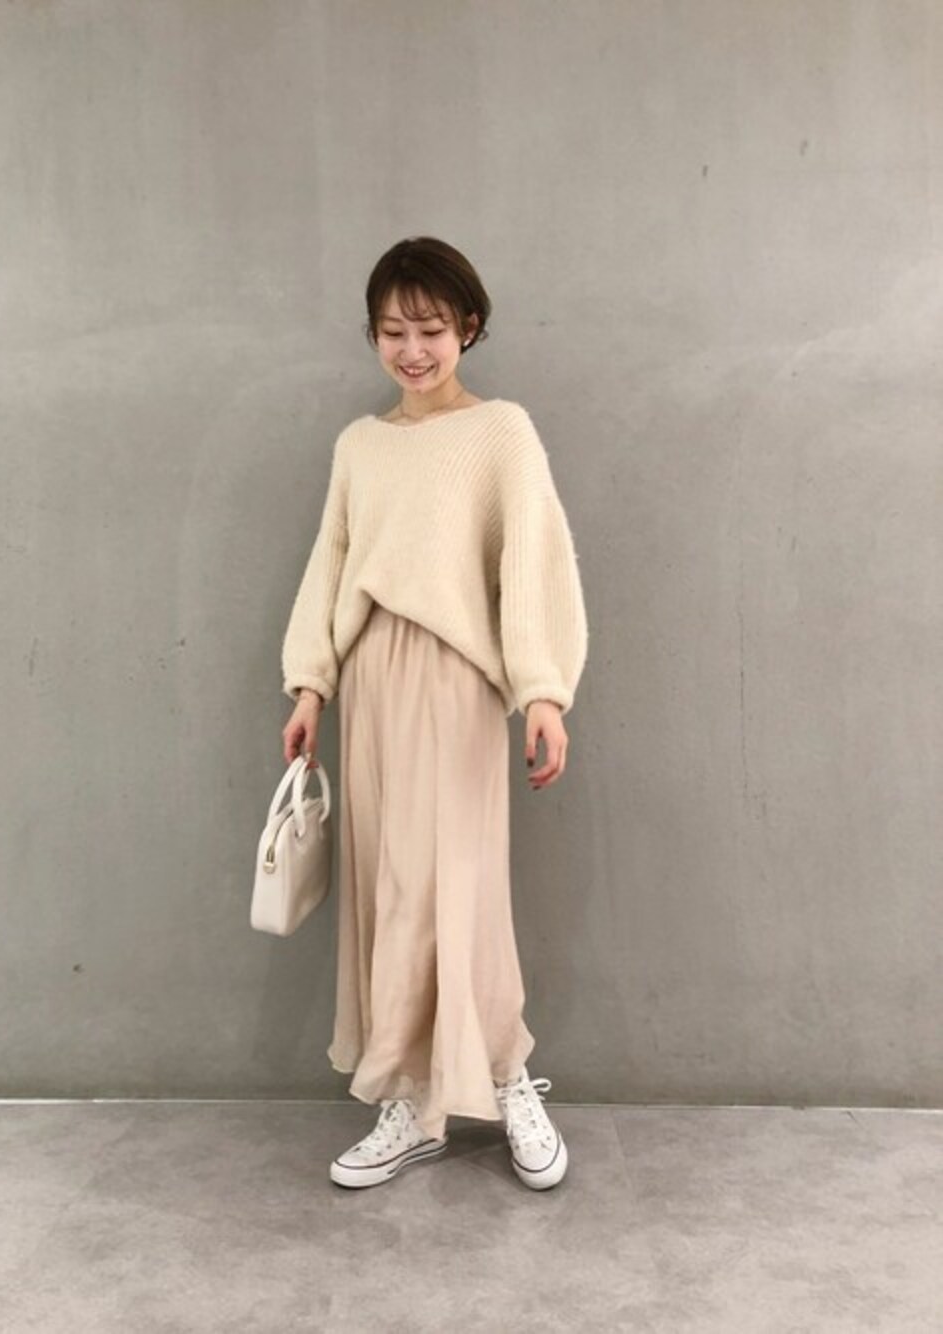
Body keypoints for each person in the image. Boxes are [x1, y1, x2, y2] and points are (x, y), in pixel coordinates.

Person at [280, 236, 588, 1190]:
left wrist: (543, 691)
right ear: (372, 336)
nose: (412, 350)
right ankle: (410, 1105)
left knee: (461, 887)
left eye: (432, 329)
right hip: (371, 682)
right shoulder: (360, 446)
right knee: (394, 888)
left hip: (457, 682)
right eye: (393, 332)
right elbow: (332, 561)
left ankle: (505, 1076)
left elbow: (531, 559)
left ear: (469, 328)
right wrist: (311, 684)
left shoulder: (501, 433)